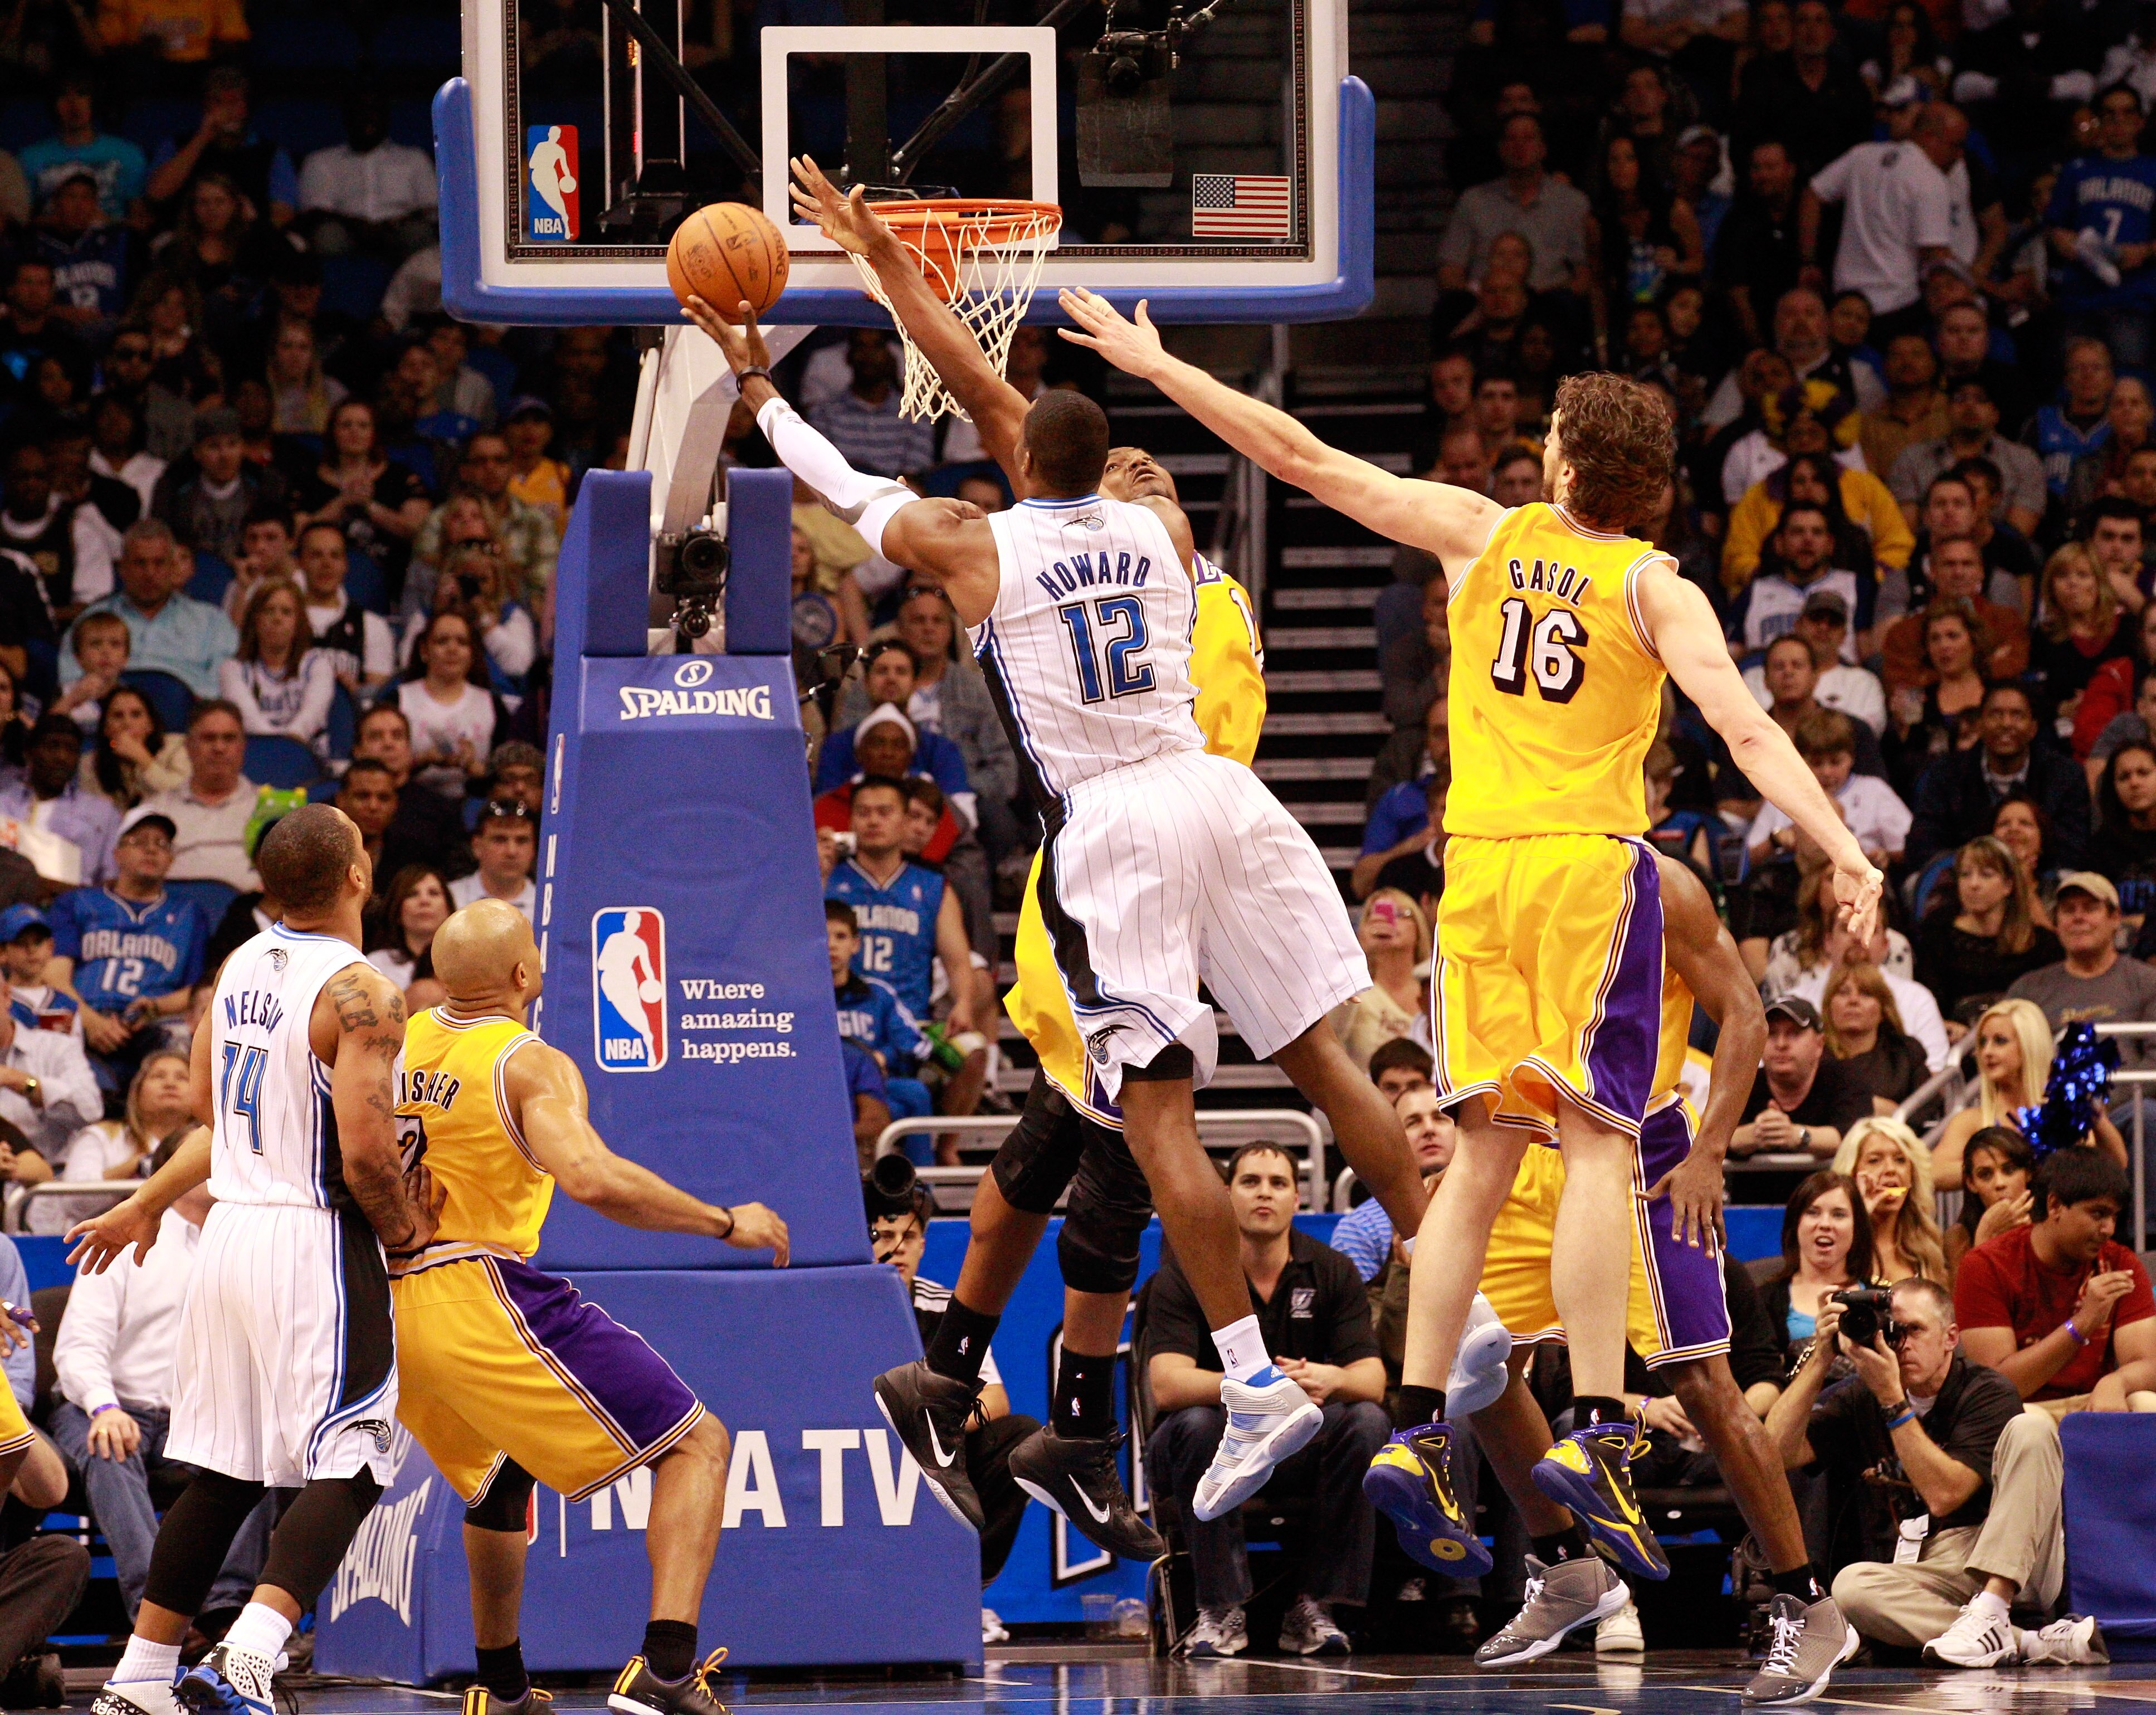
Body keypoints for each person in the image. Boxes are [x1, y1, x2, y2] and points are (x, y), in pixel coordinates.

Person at [1056, 283, 1882, 1611]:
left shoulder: (1479, 532)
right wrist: (1838, 848)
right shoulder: (1650, 583)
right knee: (1600, 1140)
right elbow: (1743, 729)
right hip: (1581, 869)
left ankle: (1431, 1429)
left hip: (1475, 874)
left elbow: (1299, 457)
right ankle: (1602, 1427)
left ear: (1558, 459)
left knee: (1481, 1155)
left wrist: (1159, 366)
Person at [784, 161, 1420, 1559]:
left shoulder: (1015, 542)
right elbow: (1013, 404)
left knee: (1133, 1131)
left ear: (1033, 469)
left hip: (1122, 841)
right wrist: (902, 266)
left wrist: (785, 364)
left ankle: (1139, 1390)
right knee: (1268, 1073)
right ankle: (1437, 1317)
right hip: (1214, 815)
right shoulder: (1151, 535)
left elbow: (919, 441)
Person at [66, 805, 441, 1715]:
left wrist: (148, 1199)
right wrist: (407, 1234)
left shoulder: (236, 966)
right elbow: (362, 1154)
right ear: (357, 874)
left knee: (227, 1467)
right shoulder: (363, 992)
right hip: (312, 1234)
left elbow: (206, 1107)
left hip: (229, 1231)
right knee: (358, 1453)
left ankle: (142, 1673)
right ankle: (250, 1653)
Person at [389, 899, 787, 1715]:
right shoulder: (528, 1061)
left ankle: (502, 1691)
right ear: (523, 975)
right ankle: (667, 1667)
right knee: (697, 1444)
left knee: (497, 1481)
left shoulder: (394, 1041)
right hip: (477, 1287)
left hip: (392, 1303)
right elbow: (593, 1178)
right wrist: (723, 1220)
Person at [1765, 1279, 2100, 1669]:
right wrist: (1822, 1355)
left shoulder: (1986, 1391)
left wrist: (1893, 1400)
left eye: (1916, 1330)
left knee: (2033, 1428)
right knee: (1851, 1587)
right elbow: (1772, 1454)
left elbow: (1946, 1494)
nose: (1902, 1343)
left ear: (1950, 1337)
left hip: (2007, 1554)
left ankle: (1993, 1607)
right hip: (1930, 1567)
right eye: (1893, 1331)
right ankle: (2027, 1643)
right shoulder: (1862, 1394)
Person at [1145, 1142, 1392, 1658]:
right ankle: (1220, 1608)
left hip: (1295, 1442)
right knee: (1194, 1423)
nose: (1264, 1193)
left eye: (1278, 1183)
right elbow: (1166, 1383)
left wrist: (1328, 1377)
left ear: (1298, 1200)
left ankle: (1315, 1606)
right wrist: (1259, 1388)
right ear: (1225, 1197)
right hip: (1210, 1443)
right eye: (1250, 1182)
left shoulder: (1331, 1269)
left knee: (1366, 1421)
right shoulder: (1186, 1273)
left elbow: (1371, 1378)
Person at [52, 1131, 273, 1622]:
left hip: (195, 1415)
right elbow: (79, 1346)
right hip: (108, 1403)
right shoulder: (125, 1232)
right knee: (108, 1446)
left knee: (259, 1450)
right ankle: (157, 1611)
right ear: (169, 1170)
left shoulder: (249, 1245)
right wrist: (104, 1408)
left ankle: (224, 1611)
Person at [867, 1164, 1034, 1642]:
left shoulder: (948, 1308)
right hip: (853, 1452)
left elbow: (996, 1399)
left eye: (908, 1235)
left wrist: (933, 1426)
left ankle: (964, 1594)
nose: (894, 1247)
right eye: (880, 1233)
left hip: (938, 1452)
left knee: (1022, 1441)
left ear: (923, 1244)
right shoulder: (834, 1307)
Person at [823, 777, 986, 1133]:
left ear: (905, 820)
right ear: (850, 821)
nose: (873, 821)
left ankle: (947, 1144)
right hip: (839, 1020)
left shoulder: (932, 887)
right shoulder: (827, 879)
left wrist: (962, 1004)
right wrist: (816, 876)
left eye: (885, 812)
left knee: (973, 1052)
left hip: (912, 1024)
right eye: (863, 813)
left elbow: (958, 960)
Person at [1957, 1148, 2156, 1415]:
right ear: (2054, 1206)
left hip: (2094, 1404)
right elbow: (1999, 1386)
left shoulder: (2120, 1263)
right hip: (2020, 1409)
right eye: (2098, 1214)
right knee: (2030, 1427)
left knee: (2146, 1403)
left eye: (2114, 1217)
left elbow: (2148, 1363)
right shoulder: (1986, 1265)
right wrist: (2083, 1323)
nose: (2109, 1229)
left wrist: (2117, 1381)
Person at [45, 805, 208, 1090]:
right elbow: (54, 975)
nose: (151, 850)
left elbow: (198, 991)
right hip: (82, 1020)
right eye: (139, 841)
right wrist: (91, 1021)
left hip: (152, 1027)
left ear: (171, 859)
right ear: (116, 853)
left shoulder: (189, 915)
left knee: (182, 1036)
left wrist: (157, 1008)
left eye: (161, 845)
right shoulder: (77, 903)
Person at [1933, 997, 2129, 1189]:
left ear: (2030, 1045)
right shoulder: (1971, 1121)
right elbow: (1935, 1173)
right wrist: (2005, 1167)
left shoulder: (2065, 1115)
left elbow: (2116, 1163)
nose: (1987, 1052)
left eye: (2000, 1041)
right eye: (1983, 1043)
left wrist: (2092, 1112)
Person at [1906, 685, 2094, 874]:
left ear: (2033, 728)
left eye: (2017, 715)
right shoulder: (1945, 774)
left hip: (2041, 879)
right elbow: (1924, 845)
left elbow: (2073, 848)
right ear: (1980, 724)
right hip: (1965, 880)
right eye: (1996, 715)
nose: (2006, 724)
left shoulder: (2066, 775)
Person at [2046, 84, 2156, 370]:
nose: (2118, 122)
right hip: (2078, 297)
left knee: (2129, 385)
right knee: (2077, 383)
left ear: (2140, 122)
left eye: (2127, 114)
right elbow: (2055, 225)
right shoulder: (2076, 169)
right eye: (2110, 115)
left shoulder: (2153, 171)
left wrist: (2143, 252)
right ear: (2099, 121)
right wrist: (2065, 241)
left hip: (2133, 298)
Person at [64, 519, 237, 700]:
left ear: (172, 567)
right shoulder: (92, 620)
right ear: (122, 568)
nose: (150, 573)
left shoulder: (212, 621)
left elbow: (227, 684)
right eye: (140, 563)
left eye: (159, 563)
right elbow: (69, 681)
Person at [2006, 871, 2156, 1072]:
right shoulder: (2027, 991)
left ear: (2115, 918)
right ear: (2057, 924)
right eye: (2068, 910)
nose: (2078, 917)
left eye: (2090, 908)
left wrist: (2107, 1102)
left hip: (2129, 1101)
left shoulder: (2147, 982)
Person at [1915, 839, 2065, 1027]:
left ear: (2008, 885)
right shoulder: (1937, 936)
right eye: (1965, 875)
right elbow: (1927, 1006)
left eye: (1986, 875)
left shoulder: (2041, 944)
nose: (1973, 884)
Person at [826, 900, 932, 1136]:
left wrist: (882, 1057)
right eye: (825, 937)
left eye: (841, 937)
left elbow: (917, 1043)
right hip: (822, 1088)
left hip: (875, 1087)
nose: (832, 945)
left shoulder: (878, 994)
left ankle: (920, 1171)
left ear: (856, 945)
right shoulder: (803, 1000)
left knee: (915, 1094)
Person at [1331, 1085, 1456, 1282]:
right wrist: (1401, 1274)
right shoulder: (1361, 1229)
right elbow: (1360, 1312)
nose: (1429, 1130)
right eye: (1413, 1123)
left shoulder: (1504, 1206)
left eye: (1440, 1118)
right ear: (1394, 1136)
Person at [142, 701, 263, 892]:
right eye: (209, 738)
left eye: (229, 739)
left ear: (243, 747)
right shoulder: (154, 811)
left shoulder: (271, 807)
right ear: (189, 747)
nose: (219, 748)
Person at [1760, 1170, 1874, 1370]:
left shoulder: (1879, 1296)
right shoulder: (1764, 1300)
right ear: (1796, 1223)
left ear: (1857, 1227)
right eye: (1813, 1213)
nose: (1825, 1224)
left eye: (1839, 1215)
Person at [1733, 997, 1873, 1159]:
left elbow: (1857, 1137)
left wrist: (1798, 1136)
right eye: (1771, 1033)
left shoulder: (1847, 1079)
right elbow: (1716, 1136)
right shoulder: (1744, 1084)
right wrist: (1756, 1133)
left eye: (1793, 1034)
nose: (1781, 1044)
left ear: (1819, 1044)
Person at [396, 611, 507, 801]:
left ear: (472, 653)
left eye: (462, 642)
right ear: (424, 650)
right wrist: (422, 761)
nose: (452, 649)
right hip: (408, 802)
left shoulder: (493, 705)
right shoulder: (398, 700)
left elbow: (505, 776)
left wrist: (474, 766)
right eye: (442, 641)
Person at [0, 712, 119, 885]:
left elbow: (112, 880)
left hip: (74, 905)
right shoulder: (4, 805)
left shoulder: (102, 813)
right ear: (29, 753)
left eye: (71, 749)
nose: (62, 757)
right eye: (52, 746)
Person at [0, 963, 101, 1160]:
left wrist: (24, 1083)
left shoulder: (57, 1048)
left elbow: (90, 1109)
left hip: (50, 1181)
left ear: (6, 996)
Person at [218, 578, 333, 751]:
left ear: (298, 623)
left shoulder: (318, 665)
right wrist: (278, 749)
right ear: (255, 620)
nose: (277, 618)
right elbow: (250, 721)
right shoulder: (233, 669)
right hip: (258, 758)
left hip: (308, 759)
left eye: (286, 612)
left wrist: (291, 743)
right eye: (268, 611)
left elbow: (312, 715)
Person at [1328, 891, 1429, 1073]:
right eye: (1374, 916)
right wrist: (1359, 954)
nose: (1386, 923)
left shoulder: (1434, 986)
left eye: (1399, 914)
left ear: (1418, 928)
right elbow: (1330, 1038)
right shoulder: (1354, 991)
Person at [1837, 1118, 1946, 1284]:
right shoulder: (1837, 1244)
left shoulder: (1929, 1245)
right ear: (1851, 1173)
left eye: (1900, 1160)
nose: (1890, 1169)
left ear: (1912, 1176)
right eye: (1875, 1160)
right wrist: (1859, 1217)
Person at [1821, 962, 1933, 1112]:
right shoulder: (1813, 1057)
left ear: (1884, 1010)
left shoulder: (1905, 1055)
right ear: (1829, 1008)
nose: (1853, 1000)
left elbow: (1926, 1115)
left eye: (1866, 994)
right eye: (1843, 992)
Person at [1944, 1127, 2034, 1282]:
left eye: (2009, 1170)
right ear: (1971, 1183)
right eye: (1985, 1175)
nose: (2000, 1183)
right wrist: (1985, 1234)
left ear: (2028, 1173)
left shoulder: (2049, 1226)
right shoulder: (1958, 1238)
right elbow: (1963, 1302)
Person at [448, 800, 536, 922]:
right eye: (500, 840)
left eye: (522, 841)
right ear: (477, 846)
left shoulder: (549, 908)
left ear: (534, 849)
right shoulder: (449, 901)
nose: (511, 852)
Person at [366, 864, 450, 990]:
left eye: (434, 893)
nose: (424, 901)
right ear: (397, 910)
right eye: (412, 894)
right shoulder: (375, 965)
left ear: (449, 908)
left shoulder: (466, 961)